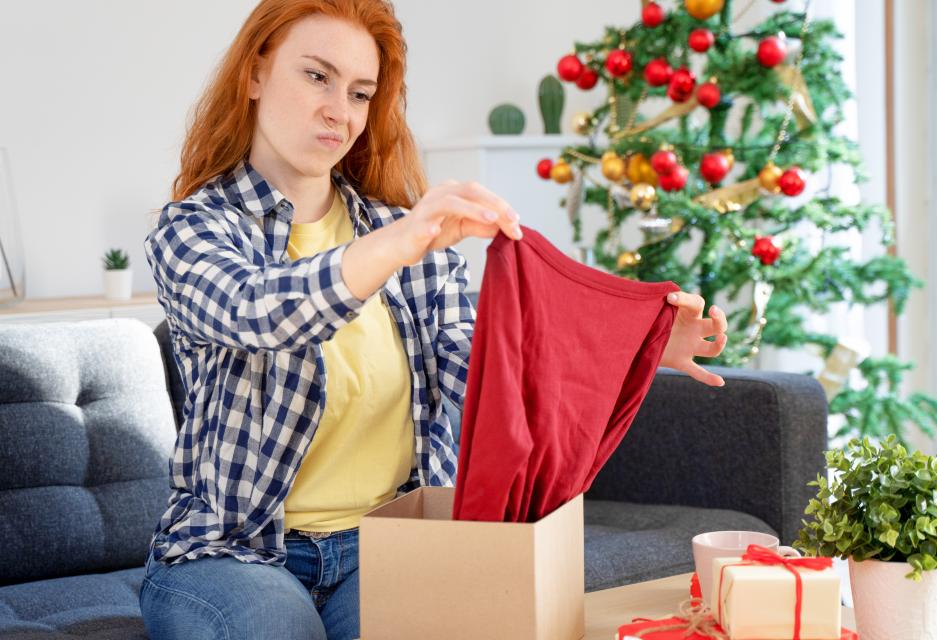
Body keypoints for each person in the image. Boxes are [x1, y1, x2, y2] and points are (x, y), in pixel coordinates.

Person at [139, 1, 730, 638]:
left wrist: (636, 348)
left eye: (361, 92)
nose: (341, 109)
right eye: (317, 76)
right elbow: (260, 311)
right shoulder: (193, 228)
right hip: (231, 553)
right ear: (254, 75)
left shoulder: (405, 239)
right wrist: (403, 238)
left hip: (391, 545)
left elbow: (491, 381)